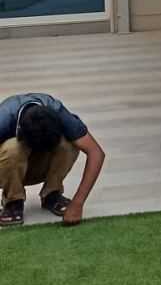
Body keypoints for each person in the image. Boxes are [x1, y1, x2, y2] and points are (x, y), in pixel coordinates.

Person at [0, 93, 105, 228]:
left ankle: (52, 194)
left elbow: (96, 153)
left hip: (41, 168)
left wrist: (78, 204)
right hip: (7, 169)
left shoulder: (59, 113)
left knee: (69, 143)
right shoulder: (4, 118)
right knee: (13, 148)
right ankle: (13, 202)